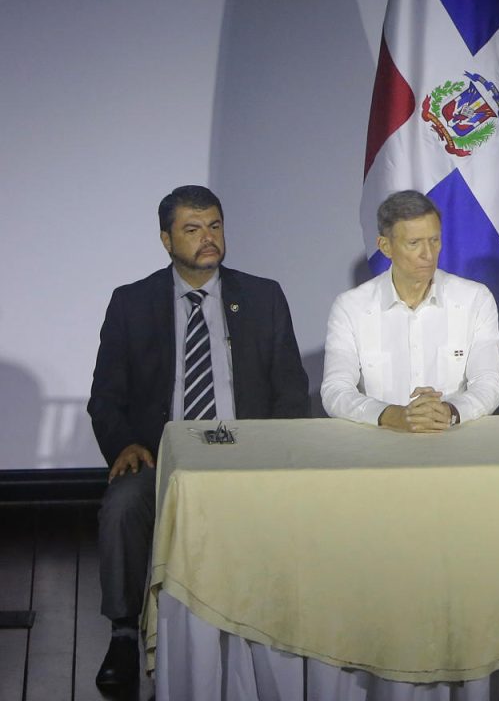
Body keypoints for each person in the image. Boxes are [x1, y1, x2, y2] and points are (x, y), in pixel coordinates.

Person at [87, 185, 309, 691]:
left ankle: (284, 628)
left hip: (247, 452)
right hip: (162, 455)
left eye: (214, 226)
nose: (207, 239)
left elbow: (292, 388)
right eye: (192, 229)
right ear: (166, 239)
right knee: (122, 508)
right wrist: (124, 444)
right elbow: (105, 396)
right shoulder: (132, 303)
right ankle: (124, 632)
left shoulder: (263, 295)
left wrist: (274, 448)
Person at [321, 190, 499, 430]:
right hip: (378, 449)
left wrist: (449, 411)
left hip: (455, 444)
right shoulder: (351, 307)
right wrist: (392, 415)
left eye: (434, 241)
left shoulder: (475, 299)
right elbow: (335, 390)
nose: (428, 255)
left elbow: (488, 384)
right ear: (385, 246)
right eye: (414, 243)